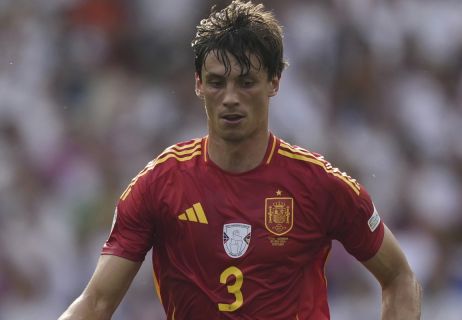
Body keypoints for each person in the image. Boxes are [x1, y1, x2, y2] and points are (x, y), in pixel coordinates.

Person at [58, 1, 422, 319]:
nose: (230, 97)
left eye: (246, 82)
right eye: (217, 83)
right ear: (198, 83)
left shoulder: (320, 184)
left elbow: (399, 278)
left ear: (274, 82)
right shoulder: (160, 184)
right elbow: (95, 304)